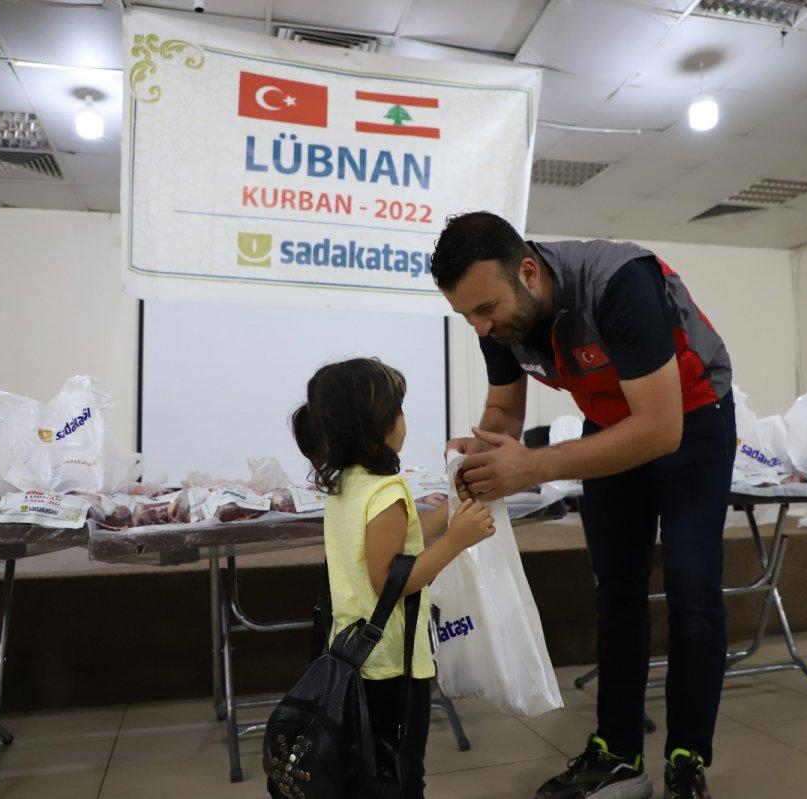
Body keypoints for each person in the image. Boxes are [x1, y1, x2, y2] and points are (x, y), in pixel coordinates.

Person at [432, 213, 735, 799]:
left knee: (692, 586)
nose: (481, 326)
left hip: (692, 416)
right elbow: (504, 412)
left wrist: (533, 466)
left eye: (485, 310)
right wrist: (483, 447)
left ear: (528, 273)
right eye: (467, 316)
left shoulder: (621, 284)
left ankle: (687, 757)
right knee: (616, 589)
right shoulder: (497, 315)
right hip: (611, 417)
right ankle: (618, 755)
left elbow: (660, 429)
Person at [291, 357, 496, 798]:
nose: (405, 418)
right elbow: (389, 581)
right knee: (399, 775)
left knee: (364, 774)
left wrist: (451, 512)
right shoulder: (386, 491)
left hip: (352, 656)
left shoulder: (348, 483)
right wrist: (456, 540)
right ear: (378, 426)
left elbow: (399, 540)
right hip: (390, 664)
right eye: (398, 409)